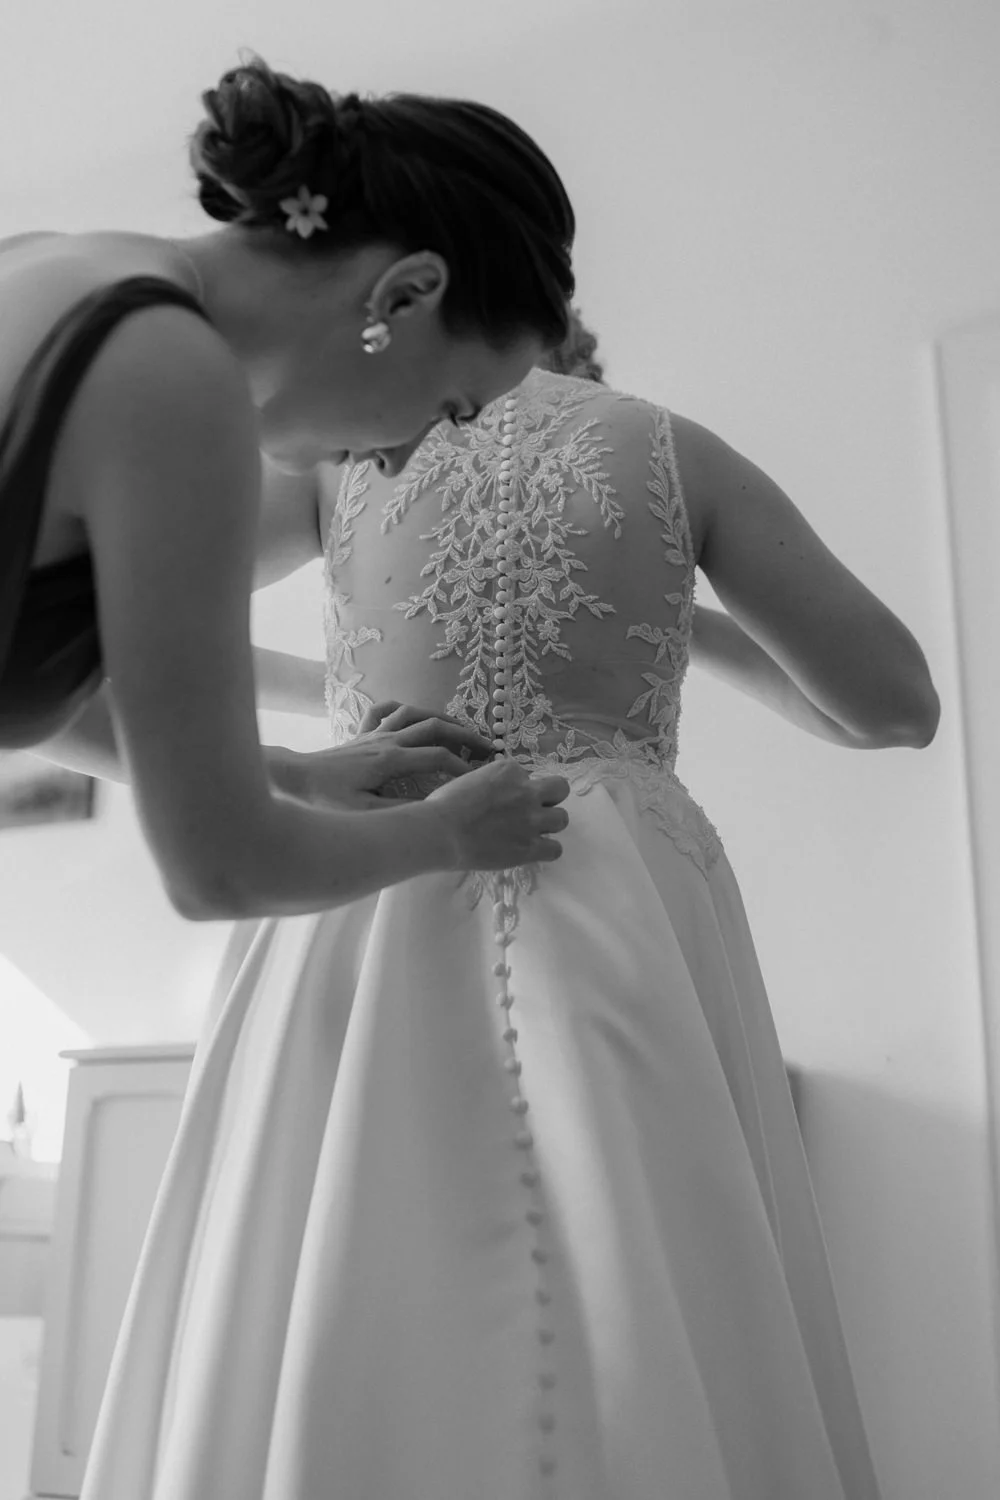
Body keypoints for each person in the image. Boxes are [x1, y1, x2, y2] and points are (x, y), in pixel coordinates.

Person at [72, 301, 939, 1499]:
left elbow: (84, 644)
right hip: (616, 889)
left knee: (343, 1232)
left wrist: (321, 702)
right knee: (636, 1255)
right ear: (575, 353)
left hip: (375, 869)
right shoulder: (670, 452)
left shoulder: (344, 457)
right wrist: (675, 616)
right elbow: (890, 708)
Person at [0, 53, 576, 915]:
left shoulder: (46, 265)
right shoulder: (168, 374)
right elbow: (223, 871)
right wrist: (451, 833)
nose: (399, 460)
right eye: (449, 409)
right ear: (406, 295)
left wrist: (293, 774)